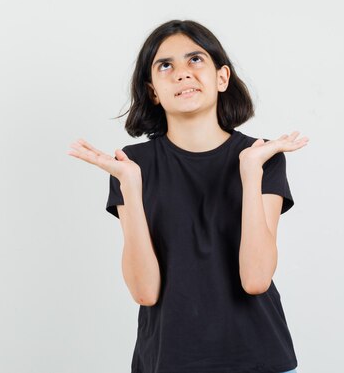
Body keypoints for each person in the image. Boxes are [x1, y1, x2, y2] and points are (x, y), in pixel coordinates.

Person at [67, 19, 309, 373]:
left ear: (222, 77)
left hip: (259, 357)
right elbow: (145, 293)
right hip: (167, 360)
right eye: (165, 65)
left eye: (195, 60)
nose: (182, 73)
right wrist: (131, 188)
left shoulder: (262, 158)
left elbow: (256, 279)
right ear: (153, 91)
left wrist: (250, 170)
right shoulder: (130, 166)